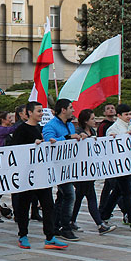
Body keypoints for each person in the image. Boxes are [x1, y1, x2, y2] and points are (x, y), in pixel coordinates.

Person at [11, 101, 69, 250]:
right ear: (30, 113)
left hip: (41, 174)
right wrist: (32, 145)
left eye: (42, 111)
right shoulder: (21, 129)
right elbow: (15, 150)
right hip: (27, 175)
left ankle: (50, 237)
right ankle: (22, 235)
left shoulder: (38, 128)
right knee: (24, 205)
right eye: (38, 111)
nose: (41, 114)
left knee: (47, 205)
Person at [99, 104, 131, 232]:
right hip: (120, 167)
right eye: (126, 114)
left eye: (129, 114)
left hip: (129, 165)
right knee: (127, 192)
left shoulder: (130, 126)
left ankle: (104, 215)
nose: (128, 117)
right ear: (119, 115)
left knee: (117, 192)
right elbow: (110, 144)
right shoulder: (113, 129)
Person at [42, 98, 86, 242]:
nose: (73, 110)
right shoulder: (50, 126)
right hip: (57, 168)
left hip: (68, 167)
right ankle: (65, 227)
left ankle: (56, 225)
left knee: (62, 197)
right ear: (63, 110)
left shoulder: (70, 125)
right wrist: (66, 137)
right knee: (69, 195)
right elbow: (49, 143)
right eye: (71, 108)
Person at [71, 109, 116, 234]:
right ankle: (99, 224)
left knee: (79, 196)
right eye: (92, 119)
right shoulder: (78, 132)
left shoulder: (92, 131)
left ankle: (71, 220)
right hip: (81, 171)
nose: (95, 121)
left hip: (90, 169)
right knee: (91, 196)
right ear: (85, 120)